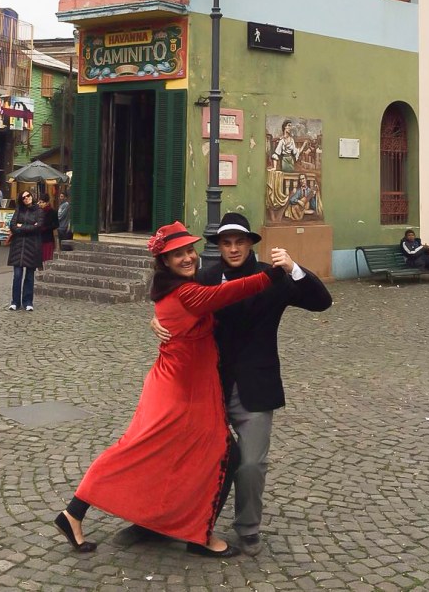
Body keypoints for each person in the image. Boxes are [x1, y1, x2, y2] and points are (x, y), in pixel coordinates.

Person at [54, 221, 279, 558]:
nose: (188, 257)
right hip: (179, 390)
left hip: (184, 384)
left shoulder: (178, 287)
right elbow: (226, 293)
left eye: (190, 250)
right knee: (142, 451)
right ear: (165, 261)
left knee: (189, 453)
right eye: (178, 254)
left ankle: (172, 523)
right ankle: (192, 534)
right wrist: (274, 274)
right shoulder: (186, 292)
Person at [152, 212, 332, 557]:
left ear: (250, 244)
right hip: (208, 383)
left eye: (239, 242)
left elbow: (321, 302)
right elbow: (172, 302)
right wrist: (154, 321)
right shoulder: (204, 277)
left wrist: (294, 267)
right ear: (219, 246)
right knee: (192, 458)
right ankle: (168, 521)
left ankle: (248, 527)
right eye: (226, 243)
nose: (233, 249)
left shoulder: (272, 275)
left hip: (255, 384)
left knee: (250, 464)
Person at [7, 191, 43, 311]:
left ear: (32, 196)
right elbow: (12, 225)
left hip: (32, 246)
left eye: (28, 196)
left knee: (29, 276)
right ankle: (15, 302)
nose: (26, 198)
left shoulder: (38, 211)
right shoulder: (19, 210)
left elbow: (38, 226)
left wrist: (21, 226)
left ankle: (28, 302)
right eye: (23, 197)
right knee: (17, 275)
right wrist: (28, 227)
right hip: (18, 247)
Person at [38, 193, 59, 265]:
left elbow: (56, 224)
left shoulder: (52, 212)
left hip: (48, 239)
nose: (40, 204)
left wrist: (46, 228)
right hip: (38, 238)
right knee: (38, 261)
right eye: (39, 202)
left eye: (42, 202)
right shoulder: (38, 212)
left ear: (47, 203)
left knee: (47, 259)